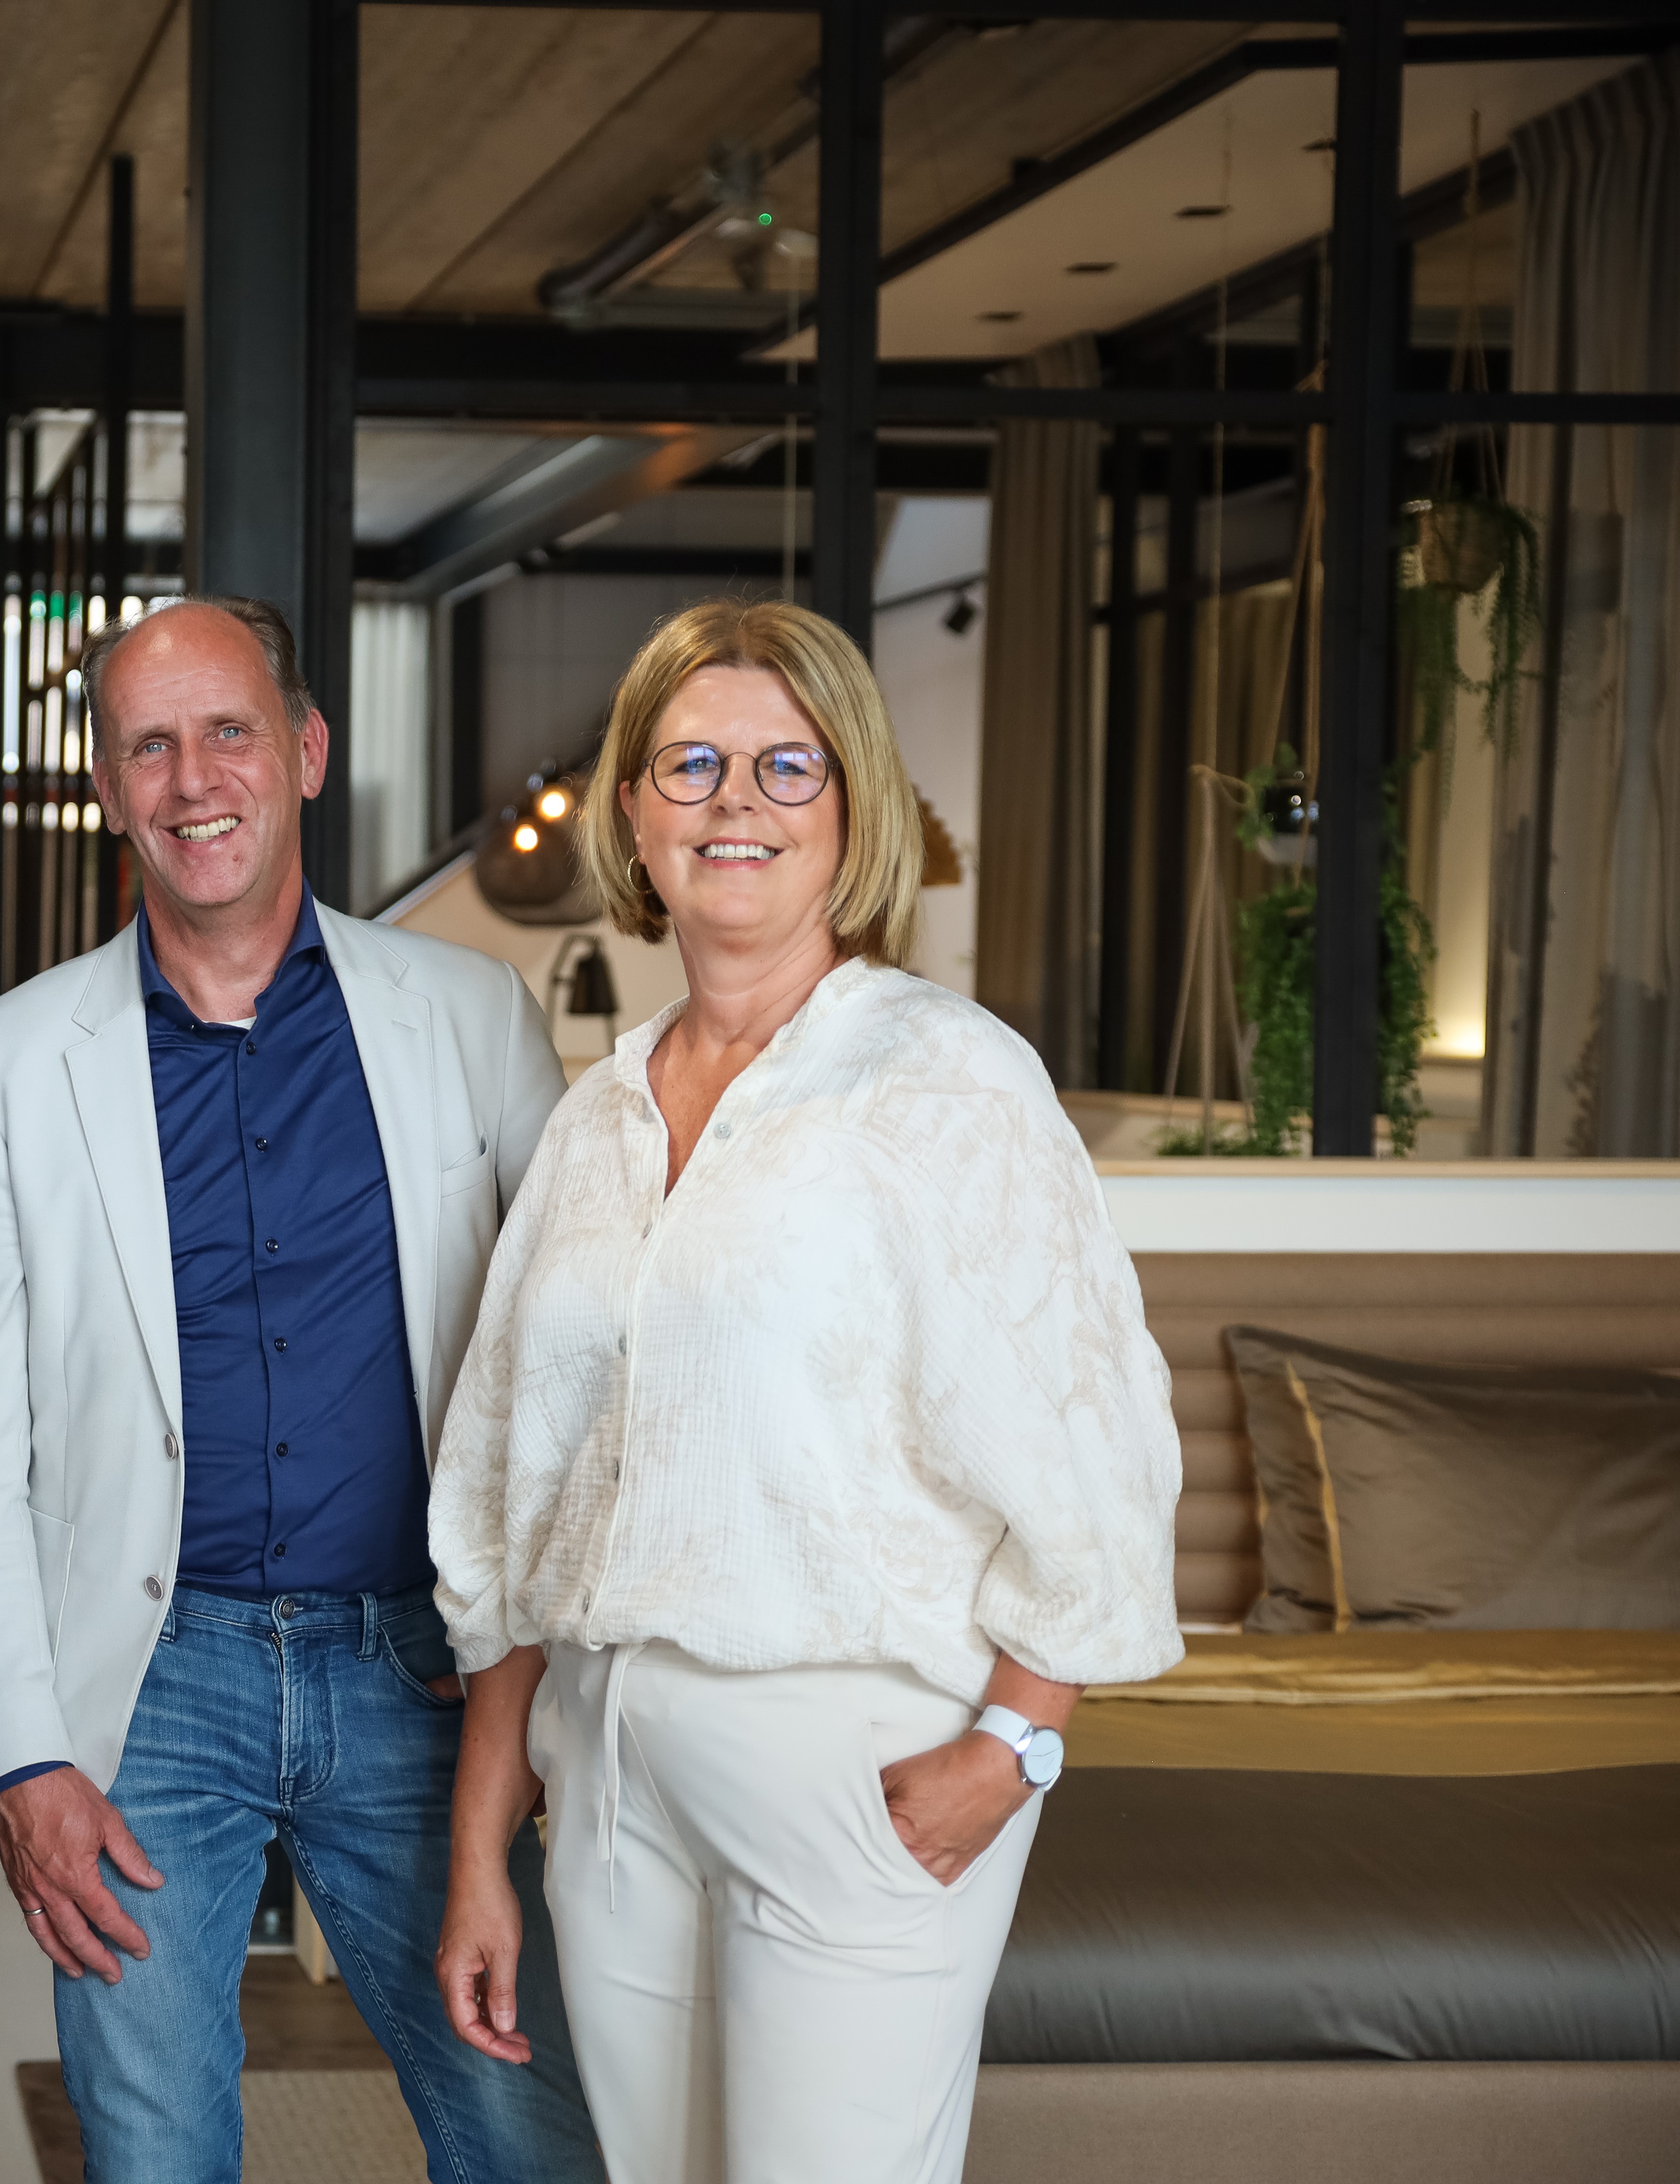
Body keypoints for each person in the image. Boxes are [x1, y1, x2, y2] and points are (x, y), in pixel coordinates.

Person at [426, 598, 1183, 2184]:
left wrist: (1018, 1746)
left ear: (857, 807)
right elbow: (515, 1494)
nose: (737, 802)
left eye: (789, 764)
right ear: (634, 811)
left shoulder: (948, 1081)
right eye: (691, 763)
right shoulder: (598, 1117)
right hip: (610, 1771)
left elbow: (1097, 1445)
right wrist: (480, 1843)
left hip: (857, 1760)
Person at [0, 596, 603, 2183]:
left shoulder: (469, 1019)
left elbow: (566, 1368)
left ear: (305, 751)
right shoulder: (8, 1069)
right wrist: (21, 1756)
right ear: (108, 786)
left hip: (421, 1674)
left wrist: (549, 1677)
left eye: (229, 731)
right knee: (151, 2156)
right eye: (149, 746)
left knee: (524, 2137)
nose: (193, 779)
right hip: (148, 1688)